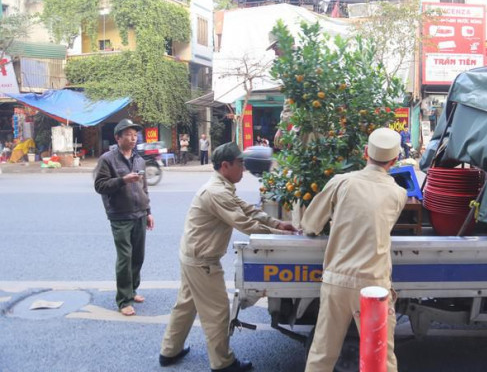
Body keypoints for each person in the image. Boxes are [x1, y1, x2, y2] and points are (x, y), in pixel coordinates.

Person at [159, 142, 296, 372]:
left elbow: (246, 208)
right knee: (217, 312)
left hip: (192, 255)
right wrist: (281, 235)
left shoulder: (222, 187)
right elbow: (244, 222)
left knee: (185, 305)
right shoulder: (217, 192)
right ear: (225, 166)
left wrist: (277, 223)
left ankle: (169, 350)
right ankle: (222, 363)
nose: (243, 169)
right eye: (240, 164)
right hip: (202, 260)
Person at [301, 128, 408, 372]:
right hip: (374, 285)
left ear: (365, 152)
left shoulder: (341, 182)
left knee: (322, 354)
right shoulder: (398, 193)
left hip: (336, 280)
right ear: (393, 161)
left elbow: (310, 224)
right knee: (380, 359)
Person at [94, 119, 155, 317]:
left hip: (139, 214)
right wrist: (122, 180)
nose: (133, 138)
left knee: (138, 256)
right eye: (128, 134)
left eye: (135, 134)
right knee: (125, 258)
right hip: (120, 216)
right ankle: (123, 300)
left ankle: (132, 290)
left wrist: (148, 212)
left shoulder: (139, 159)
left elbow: (143, 188)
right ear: (117, 138)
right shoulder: (107, 159)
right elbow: (100, 186)